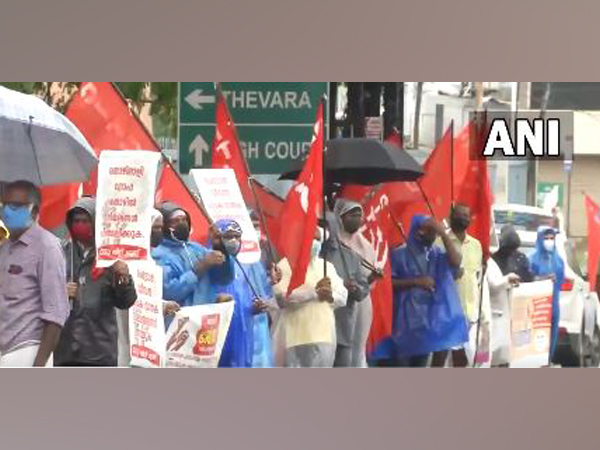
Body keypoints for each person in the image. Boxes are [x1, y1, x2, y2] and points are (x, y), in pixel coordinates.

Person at [54, 197, 138, 367]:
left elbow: (126, 302)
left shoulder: (110, 257)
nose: (80, 225)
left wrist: (123, 278)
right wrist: (60, 292)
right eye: (76, 221)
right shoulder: (60, 253)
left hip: (99, 352)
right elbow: (43, 292)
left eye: (85, 221)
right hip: (66, 351)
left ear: (96, 222)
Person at [375, 214, 466, 367]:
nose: (432, 233)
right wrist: (416, 282)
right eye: (429, 229)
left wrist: (443, 233)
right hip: (403, 327)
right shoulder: (399, 254)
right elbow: (386, 283)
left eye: (434, 230)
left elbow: (456, 261)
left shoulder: (436, 254)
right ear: (418, 231)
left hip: (426, 326)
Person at [0, 181, 69, 367]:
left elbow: (56, 312)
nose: (7, 211)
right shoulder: (5, 248)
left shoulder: (47, 247)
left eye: (15, 206)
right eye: (4, 204)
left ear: (33, 211)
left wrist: (38, 366)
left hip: (27, 350)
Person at [272, 227, 348, 368]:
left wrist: (330, 296)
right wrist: (314, 292)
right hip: (295, 337)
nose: (314, 242)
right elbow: (282, 298)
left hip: (324, 336)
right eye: (310, 238)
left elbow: (343, 296)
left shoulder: (327, 266)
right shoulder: (285, 265)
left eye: (317, 239)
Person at [116, 208, 181, 367]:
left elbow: (147, 298)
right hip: (124, 328)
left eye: (160, 228)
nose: (159, 232)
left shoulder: (149, 260)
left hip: (145, 336)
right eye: (155, 228)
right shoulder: (125, 260)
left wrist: (163, 305)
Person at [210, 219, 278, 368]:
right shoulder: (208, 261)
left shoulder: (245, 265)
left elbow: (258, 293)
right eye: (228, 237)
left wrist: (255, 307)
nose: (233, 241)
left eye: (237, 236)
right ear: (217, 238)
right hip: (216, 330)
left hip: (242, 330)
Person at [325, 199, 379, 368]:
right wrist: (342, 285)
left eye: (359, 215)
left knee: (355, 349)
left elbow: (363, 287)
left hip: (356, 306)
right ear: (339, 218)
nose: (356, 219)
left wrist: (367, 281)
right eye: (351, 215)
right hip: (329, 310)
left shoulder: (362, 247)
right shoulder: (325, 249)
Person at [153, 202, 235, 307]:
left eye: (184, 219)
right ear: (164, 226)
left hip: (205, 318)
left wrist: (220, 247)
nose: (182, 224)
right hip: (180, 320)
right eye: (175, 221)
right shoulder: (159, 254)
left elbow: (223, 279)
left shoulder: (197, 248)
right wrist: (200, 268)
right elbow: (169, 292)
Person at [439, 203, 485, 368]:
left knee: (463, 356)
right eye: (460, 215)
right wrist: (450, 275)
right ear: (451, 217)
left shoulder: (476, 245)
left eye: (467, 215)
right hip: (446, 308)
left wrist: (481, 311)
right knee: (441, 354)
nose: (464, 218)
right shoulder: (440, 242)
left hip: (468, 309)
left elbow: (476, 279)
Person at [529, 226, 565, 365]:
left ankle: (548, 362)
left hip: (553, 305)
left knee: (552, 337)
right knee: (536, 339)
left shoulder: (559, 260)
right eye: (546, 238)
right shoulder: (531, 258)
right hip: (537, 306)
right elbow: (527, 279)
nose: (549, 241)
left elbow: (560, 283)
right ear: (539, 239)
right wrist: (542, 279)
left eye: (552, 238)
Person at [484, 258, 520, 367]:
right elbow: (493, 286)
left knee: (498, 353)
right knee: (485, 353)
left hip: (498, 313)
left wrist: (509, 282)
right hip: (488, 314)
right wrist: (507, 279)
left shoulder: (490, 261)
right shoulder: (483, 261)